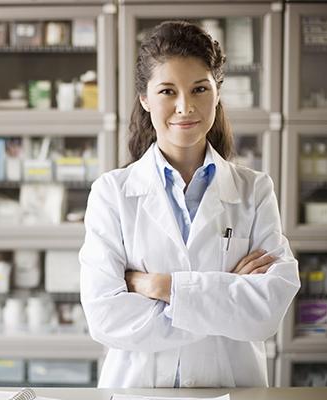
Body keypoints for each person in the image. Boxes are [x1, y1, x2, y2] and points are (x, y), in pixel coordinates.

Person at [79, 21, 300, 388]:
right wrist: (223, 297)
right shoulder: (112, 193)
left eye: (200, 88)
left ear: (217, 93)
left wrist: (161, 286)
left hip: (231, 389)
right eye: (168, 91)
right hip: (138, 391)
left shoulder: (254, 189)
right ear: (145, 99)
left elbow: (266, 313)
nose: (185, 107)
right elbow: (106, 318)